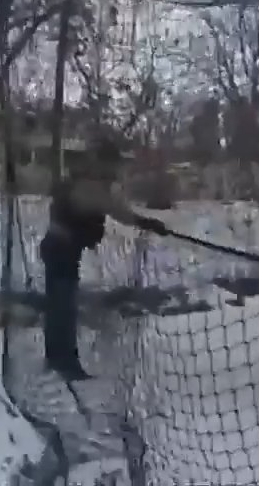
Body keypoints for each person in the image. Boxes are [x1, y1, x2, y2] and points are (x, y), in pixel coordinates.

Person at [39, 138, 169, 381]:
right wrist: (144, 222)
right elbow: (115, 208)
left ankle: (56, 357)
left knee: (59, 305)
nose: (116, 169)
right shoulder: (91, 184)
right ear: (101, 162)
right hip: (61, 249)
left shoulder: (82, 179)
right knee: (63, 308)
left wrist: (144, 221)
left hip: (60, 248)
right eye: (113, 163)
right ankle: (65, 362)